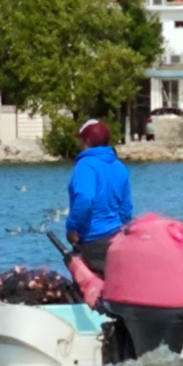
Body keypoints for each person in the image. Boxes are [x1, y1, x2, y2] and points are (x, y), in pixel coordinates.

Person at [66, 118, 133, 277]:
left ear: (87, 141)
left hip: (92, 240)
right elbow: (126, 210)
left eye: (81, 140)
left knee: (89, 291)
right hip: (117, 239)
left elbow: (85, 198)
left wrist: (72, 227)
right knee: (113, 288)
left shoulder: (86, 165)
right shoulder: (120, 167)